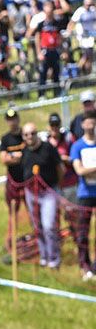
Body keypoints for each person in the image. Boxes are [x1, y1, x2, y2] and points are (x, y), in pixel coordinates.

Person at [20, 121, 64, 268]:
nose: (29, 137)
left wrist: (56, 187)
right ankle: (44, 256)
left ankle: (54, 259)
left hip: (48, 192)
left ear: (37, 133)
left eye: (32, 133)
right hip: (31, 193)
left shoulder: (48, 148)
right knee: (37, 226)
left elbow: (60, 169)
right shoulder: (25, 150)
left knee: (48, 226)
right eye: (26, 134)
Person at [69, 109, 96, 279]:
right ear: (82, 124)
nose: (91, 125)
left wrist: (89, 171)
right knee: (82, 232)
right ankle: (84, 265)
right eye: (88, 121)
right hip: (85, 194)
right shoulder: (77, 146)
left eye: (93, 121)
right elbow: (79, 170)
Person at [0, 108, 26, 230]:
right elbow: (4, 160)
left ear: (18, 119)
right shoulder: (5, 139)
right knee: (13, 213)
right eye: (10, 120)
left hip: (27, 179)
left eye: (14, 119)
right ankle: (11, 242)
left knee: (33, 211)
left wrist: (13, 156)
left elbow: (29, 155)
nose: (13, 122)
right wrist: (19, 156)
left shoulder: (25, 135)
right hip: (13, 182)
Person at [30, 2, 63, 98]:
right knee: (43, 73)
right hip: (45, 51)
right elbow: (37, 38)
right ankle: (41, 95)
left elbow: (59, 37)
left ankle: (57, 93)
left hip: (55, 50)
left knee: (56, 73)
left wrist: (62, 50)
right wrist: (39, 52)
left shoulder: (57, 23)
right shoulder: (41, 24)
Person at [72, 0, 96, 75]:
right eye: (87, 4)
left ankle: (86, 75)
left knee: (90, 57)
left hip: (91, 37)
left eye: (90, 4)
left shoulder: (93, 10)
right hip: (83, 38)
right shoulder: (80, 11)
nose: (89, 6)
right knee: (86, 56)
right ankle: (76, 73)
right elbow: (72, 22)